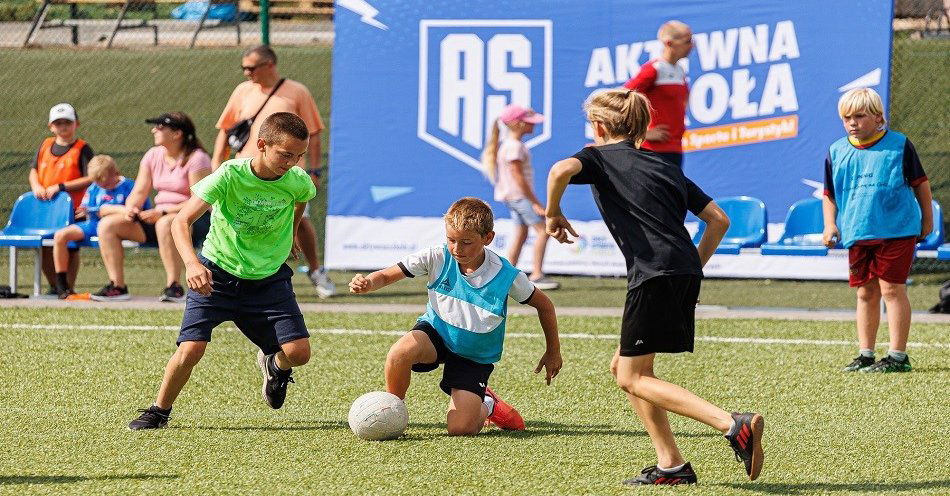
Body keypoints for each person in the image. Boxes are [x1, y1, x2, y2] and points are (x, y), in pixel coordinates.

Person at [545, 89, 763, 485]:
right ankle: (671, 465)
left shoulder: (597, 156)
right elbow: (719, 220)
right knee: (625, 367)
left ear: (600, 127)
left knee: (632, 377)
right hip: (682, 271)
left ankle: (732, 424)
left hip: (654, 274)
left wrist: (553, 212)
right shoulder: (665, 166)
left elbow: (559, 170)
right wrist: (690, 267)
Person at [128, 112, 317, 431]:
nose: (292, 162)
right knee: (191, 349)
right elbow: (181, 221)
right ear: (261, 145)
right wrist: (192, 263)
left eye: (298, 156)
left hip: (269, 279)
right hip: (217, 276)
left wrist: (292, 234)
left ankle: (274, 365)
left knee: (298, 354)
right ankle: (159, 410)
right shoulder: (229, 175)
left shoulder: (298, 181)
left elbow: (300, 202)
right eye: (285, 154)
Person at [348, 197, 562, 435]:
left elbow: (545, 306)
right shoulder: (436, 256)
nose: (457, 249)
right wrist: (368, 283)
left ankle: (487, 404)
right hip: (436, 334)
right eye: (451, 240)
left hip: (474, 355)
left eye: (467, 242)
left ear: (488, 238)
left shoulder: (506, 275)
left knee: (460, 430)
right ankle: (392, 411)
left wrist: (553, 350)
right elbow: (388, 275)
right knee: (399, 353)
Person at [822, 87, 932, 373]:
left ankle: (897, 356)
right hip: (858, 232)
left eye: (859, 116)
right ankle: (866, 353)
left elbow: (921, 183)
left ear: (878, 116)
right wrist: (830, 224)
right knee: (865, 293)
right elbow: (829, 194)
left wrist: (927, 222)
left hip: (897, 230)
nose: (852, 123)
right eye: (847, 118)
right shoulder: (837, 151)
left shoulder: (899, 145)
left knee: (892, 289)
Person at [211, 44, 335, 298]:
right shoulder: (242, 91)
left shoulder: (297, 91)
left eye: (251, 67)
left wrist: (314, 170)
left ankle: (315, 270)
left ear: (269, 65)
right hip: (246, 174)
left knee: (301, 223)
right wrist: (216, 163)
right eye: (243, 67)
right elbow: (226, 128)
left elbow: (313, 133)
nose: (246, 72)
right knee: (242, 221)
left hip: (288, 173)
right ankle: (240, 277)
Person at [92, 112, 211, 302]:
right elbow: (139, 192)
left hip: (192, 219)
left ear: (177, 134)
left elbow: (200, 200)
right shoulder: (152, 155)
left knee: (165, 223)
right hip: (159, 218)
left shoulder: (198, 158)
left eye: (160, 127)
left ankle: (174, 286)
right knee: (107, 224)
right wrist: (131, 208)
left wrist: (163, 212)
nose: (153, 130)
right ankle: (117, 286)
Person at [481, 104, 559, 290]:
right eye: (529, 122)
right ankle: (537, 275)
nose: (533, 125)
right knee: (543, 231)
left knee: (521, 233)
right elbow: (518, 178)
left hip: (513, 197)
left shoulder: (509, 146)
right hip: (519, 197)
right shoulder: (514, 147)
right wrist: (535, 202)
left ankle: (505, 275)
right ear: (517, 124)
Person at [50, 155, 141, 299]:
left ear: (114, 173)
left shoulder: (129, 186)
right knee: (60, 236)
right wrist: (85, 211)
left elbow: (134, 212)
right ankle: (61, 286)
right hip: (92, 224)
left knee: (107, 226)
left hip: (118, 227)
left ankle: (117, 285)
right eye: (96, 181)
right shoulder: (94, 188)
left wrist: (108, 210)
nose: (100, 185)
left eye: (103, 181)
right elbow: (86, 209)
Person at [29, 103, 94, 295]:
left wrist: (62, 187)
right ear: (51, 126)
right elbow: (34, 170)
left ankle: (68, 287)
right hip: (46, 208)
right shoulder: (45, 145)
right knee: (46, 248)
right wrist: (36, 186)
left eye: (67, 122)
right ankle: (54, 286)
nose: (63, 127)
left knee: (70, 248)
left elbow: (91, 176)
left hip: (73, 208)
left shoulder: (82, 148)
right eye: (58, 123)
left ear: (76, 124)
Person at [622, 20, 692, 168]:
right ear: (669, 43)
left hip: (675, 148)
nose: (692, 46)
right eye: (687, 41)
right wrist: (641, 133)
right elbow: (621, 98)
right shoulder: (653, 69)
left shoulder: (679, 70)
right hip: (652, 150)